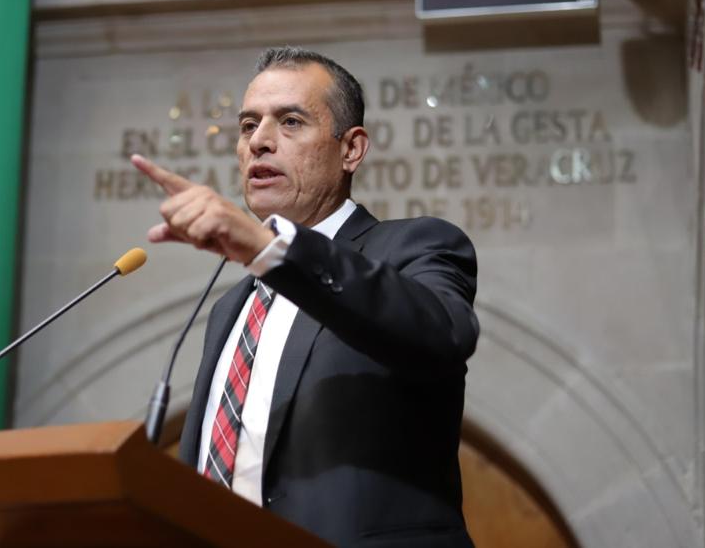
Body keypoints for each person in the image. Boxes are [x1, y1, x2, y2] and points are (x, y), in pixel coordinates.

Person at [132, 47, 478, 547]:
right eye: (248, 126)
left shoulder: (415, 247)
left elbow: (441, 333)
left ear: (351, 149)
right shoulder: (231, 308)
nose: (259, 141)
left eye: (290, 122)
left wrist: (273, 249)